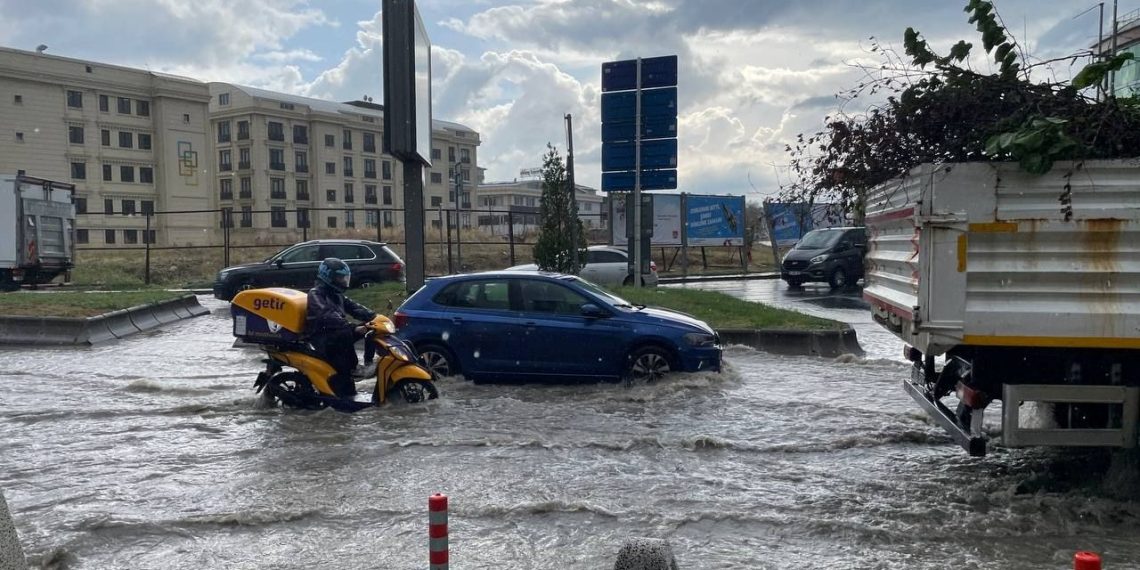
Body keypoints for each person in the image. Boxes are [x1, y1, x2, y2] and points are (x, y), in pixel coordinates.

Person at [305, 258, 378, 399]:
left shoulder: (337, 294)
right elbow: (326, 315)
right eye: (340, 278)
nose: (343, 281)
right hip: (323, 336)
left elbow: (354, 307)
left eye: (344, 278)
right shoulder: (316, 294)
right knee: (346, 333)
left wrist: (374, 316)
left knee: (372, 330)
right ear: (328, 277)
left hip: (336, 332)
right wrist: (353, 328)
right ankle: (353, 367)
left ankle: (368, 363)